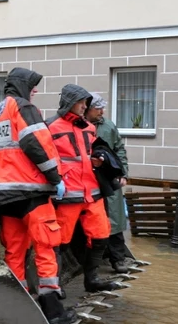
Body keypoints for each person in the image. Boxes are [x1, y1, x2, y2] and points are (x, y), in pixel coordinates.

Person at [0, 67, 76, 324]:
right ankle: (53, 312)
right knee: (46, 246)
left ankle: (18, 309)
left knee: (14, 252)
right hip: (31, 192)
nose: (35, 91)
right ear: (22, 85)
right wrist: (55, 177)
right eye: (33, 86)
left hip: (4, 197)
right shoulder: (23, 107)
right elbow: (36, 143)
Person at [47, 84, 122, 294]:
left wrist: (100, 160)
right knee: (59, 241)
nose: (84, 106)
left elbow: (91, 153)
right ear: (69, 103)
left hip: (92, 191)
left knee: (101, 235)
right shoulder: (50, 126)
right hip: (67, 193)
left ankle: (92, 280)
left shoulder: (89, 127)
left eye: (85, 103)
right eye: (80, 102)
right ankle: (54, 285)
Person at [84, 93, 130, 274]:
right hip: (87, 180)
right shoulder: (79, 126)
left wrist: (123, 173)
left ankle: (118, 259)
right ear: (88, 109)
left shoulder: (108, 126)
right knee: (92, 221)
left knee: (114, 219)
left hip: (109, 178)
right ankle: (91, 262)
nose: (102, 111)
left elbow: (119, 149)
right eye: (98, 108)